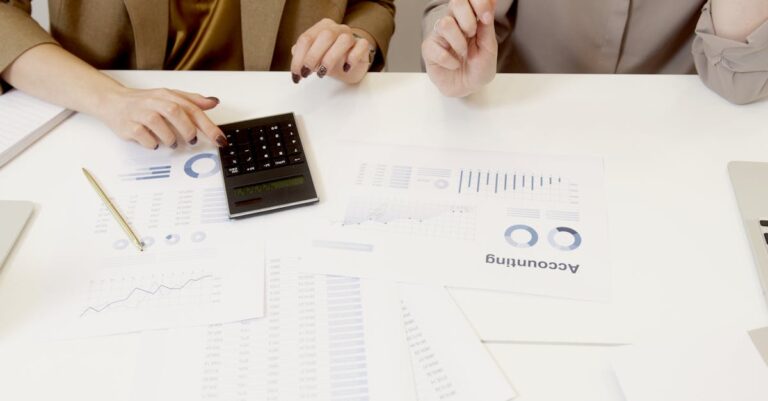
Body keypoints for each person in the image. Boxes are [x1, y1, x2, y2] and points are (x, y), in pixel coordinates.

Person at [0, 0, 395, 149]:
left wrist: (355, 42)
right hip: (102, 127)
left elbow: (371, 4)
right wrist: (110, 99)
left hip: (296, 118)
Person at [421, 0, 768, 104]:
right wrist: (454, 44)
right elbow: (456, 15)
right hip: (524, 119)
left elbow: (737, 80)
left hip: (679, 139)